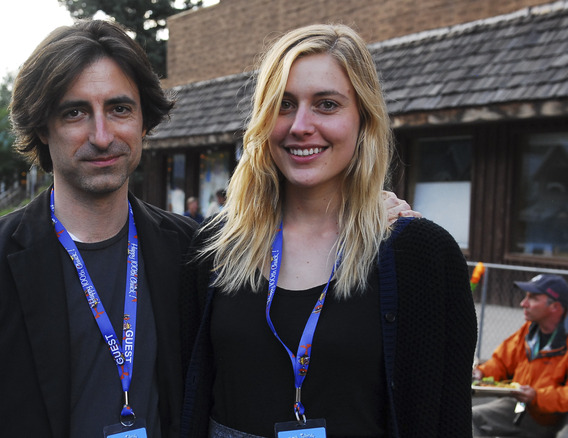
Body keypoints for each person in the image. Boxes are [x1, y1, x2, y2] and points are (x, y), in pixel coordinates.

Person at [0, 20, 199, 438]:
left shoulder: (189, 252)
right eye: (74, 112)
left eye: (119, 109)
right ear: (42, 126)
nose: (101, 135)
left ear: (143, 120)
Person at [179, 24, 477, 438]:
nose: (301, 125)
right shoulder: (215, 247)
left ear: (364, 120)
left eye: (326, 104)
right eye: (284, 104)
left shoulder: (420, 255)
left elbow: (446, 418)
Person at [472, 274, 568, 437]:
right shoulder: (528, 330)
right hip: (528, 408)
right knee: (470, 417)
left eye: (533, 298)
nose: (523, 303)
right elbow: (501, 363)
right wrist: (481, 373)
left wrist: (538, 396)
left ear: (555, 307)